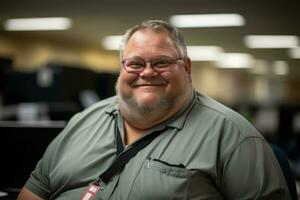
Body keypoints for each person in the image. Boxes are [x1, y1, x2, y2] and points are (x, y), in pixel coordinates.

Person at [18, 20, 290, 200]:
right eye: (135, 63)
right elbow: (34, 192)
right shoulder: (82, 121)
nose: (147, 72)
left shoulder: (233, 137)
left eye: (161, 62)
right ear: (122, 68)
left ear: (187, 68)